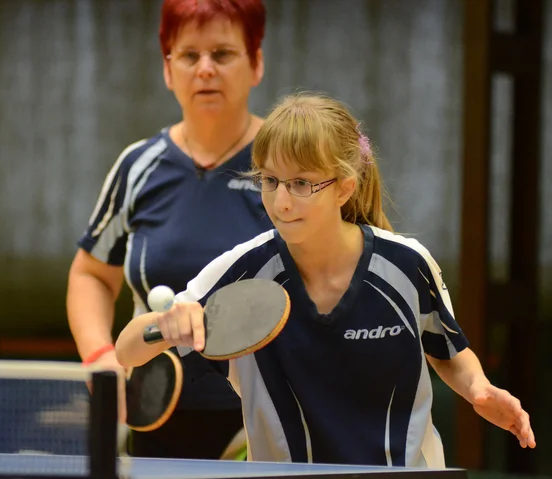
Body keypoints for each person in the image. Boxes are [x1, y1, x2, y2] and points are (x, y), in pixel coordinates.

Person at [115, 92, 536, 467]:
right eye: (270, 181)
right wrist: (165, 325)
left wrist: (479, 388)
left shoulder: (407, 265)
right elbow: (129, 351)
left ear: (344, 188)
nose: (280, 201)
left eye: (301, 184)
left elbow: (447, 350)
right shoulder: (241, 271)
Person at [66, 0, 270, 460]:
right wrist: (100, 357)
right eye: (189, 55)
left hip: (263, 418)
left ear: (256, 63)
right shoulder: (137, 167)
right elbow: (91, 275)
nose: (205, 70)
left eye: (222, 54)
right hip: (153, 411)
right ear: (168, 69)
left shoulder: (282, 167)